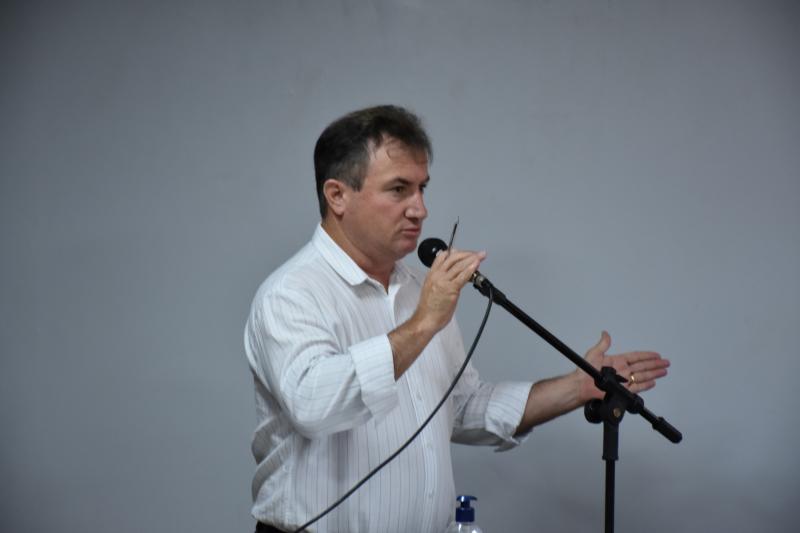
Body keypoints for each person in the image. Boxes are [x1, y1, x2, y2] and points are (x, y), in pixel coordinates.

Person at [244, 105, 670, 533]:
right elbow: (314, 407)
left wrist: (578, 386)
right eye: (399, 189)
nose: (420, 210)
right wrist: (424, 322)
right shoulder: (291, 295)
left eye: (422, 189)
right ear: (337, 195)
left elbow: (460, 406)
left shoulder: (420, 290)